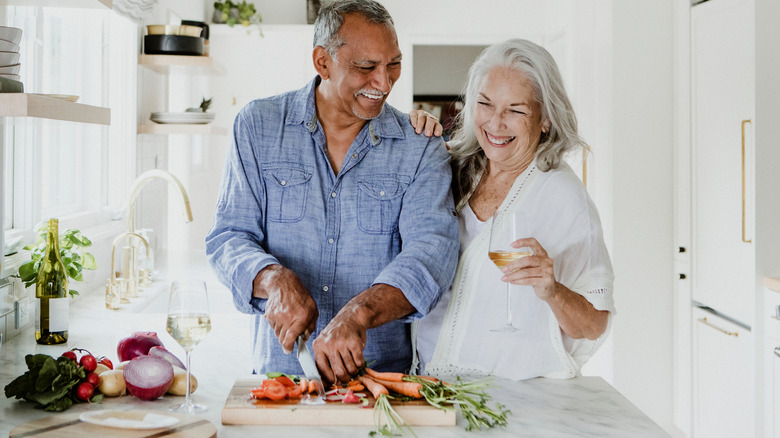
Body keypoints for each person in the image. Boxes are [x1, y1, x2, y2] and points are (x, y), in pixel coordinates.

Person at [205, 0, 459, 384]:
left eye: (393, 64)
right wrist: (272, 278)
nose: (385, 83)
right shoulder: (257, 126)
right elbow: (228, 237)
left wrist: (359, 314)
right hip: (280, 377)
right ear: (322, 62)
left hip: (379, 381)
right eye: (365, 67)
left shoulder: (420, 145)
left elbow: (431, 254)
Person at [412, 39, 615, 380]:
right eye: (485, 104)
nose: (496, 123)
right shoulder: (451, 168)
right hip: (426, 384)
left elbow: (594, 324)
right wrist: (411, 133)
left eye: (516, 110)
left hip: (509, 399)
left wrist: (553, 290)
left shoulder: (563, 198)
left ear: (545, 119)